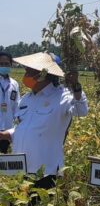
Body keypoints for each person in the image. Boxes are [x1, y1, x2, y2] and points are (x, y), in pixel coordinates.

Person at [0, 52, 87, 196]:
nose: (25, 75)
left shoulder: (63, 95)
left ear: (42, 74)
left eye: (29, 72)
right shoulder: (27, 98)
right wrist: (7, 134)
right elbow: (24, 127)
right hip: (20, 170)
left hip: (45, 171)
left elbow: (81, 111)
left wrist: (76, 87)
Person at [0, 52, 20, 154]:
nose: (4, 66)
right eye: (1, 64)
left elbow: (17, 105)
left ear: (11, 65)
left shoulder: (14, 84)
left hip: (7, 130)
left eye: (6, 64)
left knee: (4, 157)